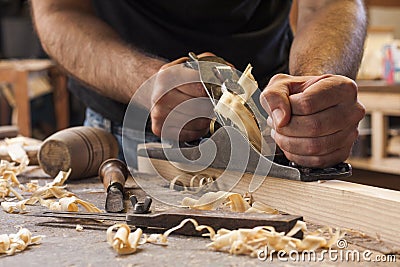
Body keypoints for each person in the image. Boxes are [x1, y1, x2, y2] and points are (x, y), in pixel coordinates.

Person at [31, 0, 367, 168]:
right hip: (125, 139)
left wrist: (311, 86)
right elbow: (58, 11)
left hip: (274, 128)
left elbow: (328, 4)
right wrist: (146, 81)